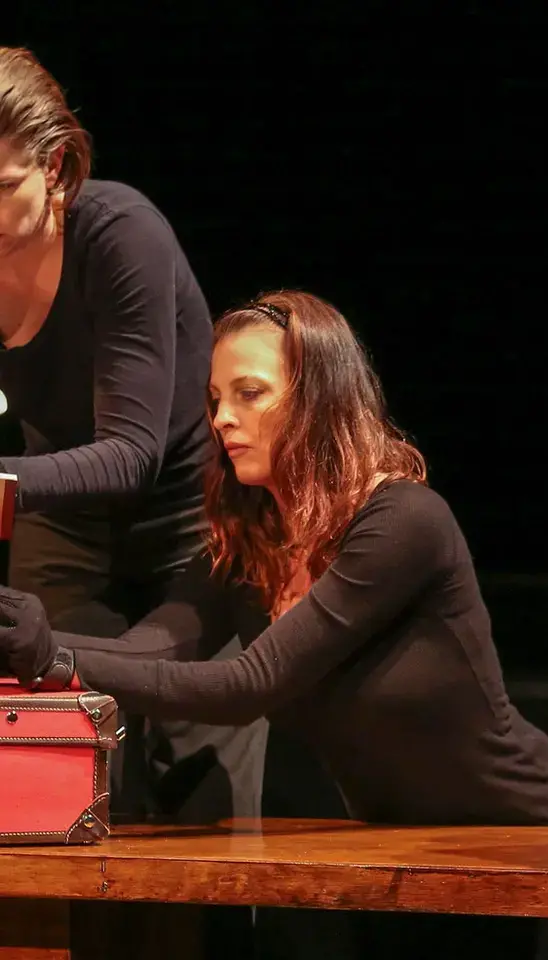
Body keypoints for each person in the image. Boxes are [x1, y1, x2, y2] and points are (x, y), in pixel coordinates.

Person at [0, 288, 548, 958]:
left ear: (319, 397)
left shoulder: (401, 521)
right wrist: (22, 637)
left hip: (522, 833)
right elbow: (151, 648)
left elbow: (249, 684)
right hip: (394, 847)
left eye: (250, 393)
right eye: (215, 399)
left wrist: (55, 658)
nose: (223, 418)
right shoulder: (246, 541)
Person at [0, 46, 268, 956]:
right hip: (66, 530)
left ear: (57, 166)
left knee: (197, 811)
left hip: (189, 522)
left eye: (2, 185)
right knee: (50, 778)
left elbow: (132, 453)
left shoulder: (120, 233)